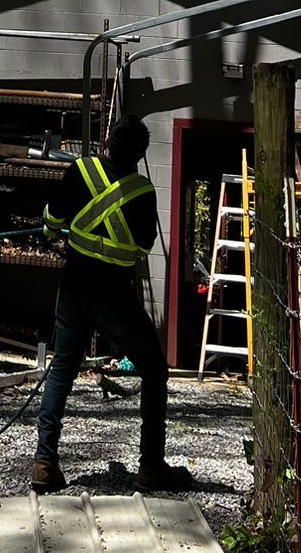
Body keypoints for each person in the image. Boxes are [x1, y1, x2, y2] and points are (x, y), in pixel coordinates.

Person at [32, 116, 195, 495]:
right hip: (115, 296)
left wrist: (52, 232)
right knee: (153, 370)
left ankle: (44, 462)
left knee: (62, 369)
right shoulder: (144, 191)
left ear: (107, 141)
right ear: (140, 154)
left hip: (75, 288)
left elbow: (53, 218)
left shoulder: (81, 170)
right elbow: (141, 248)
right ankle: (151, 466)